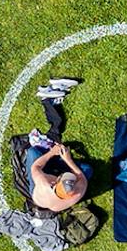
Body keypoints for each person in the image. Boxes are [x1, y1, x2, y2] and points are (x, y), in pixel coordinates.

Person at [24, 77, 89, 212]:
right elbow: (81, 177)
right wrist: (68, 160)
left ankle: (47, 99)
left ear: (55, 182)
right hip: (53, 183)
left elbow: (36, 166)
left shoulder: (43, 183)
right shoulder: (77, 192)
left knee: (33, 152)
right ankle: (49, 100)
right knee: (88, 170)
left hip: (38, 184)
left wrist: (52, 152)